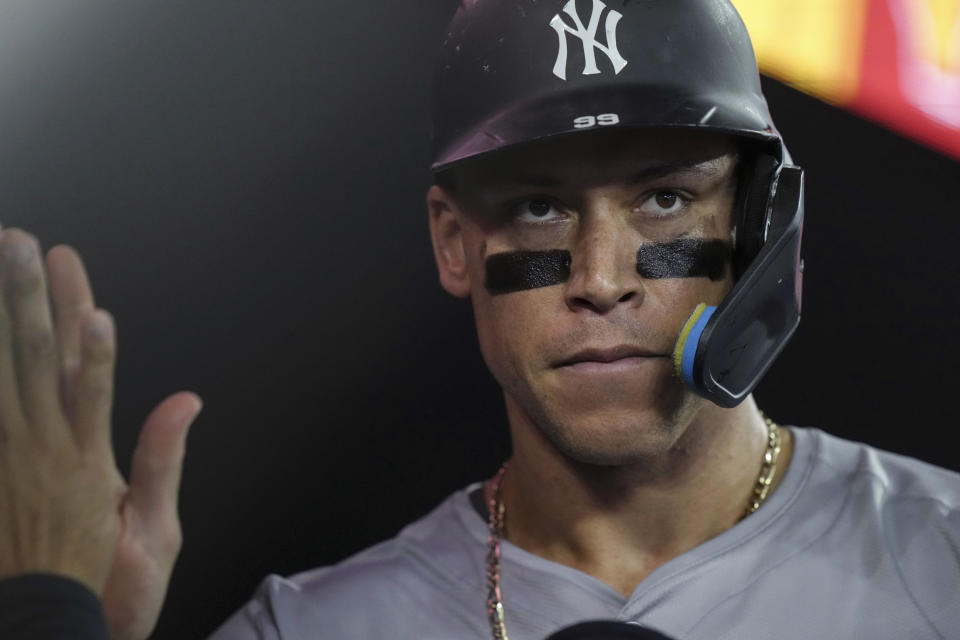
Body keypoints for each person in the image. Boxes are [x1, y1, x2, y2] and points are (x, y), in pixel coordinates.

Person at [0, 1, 958, 639]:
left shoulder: (943, 557)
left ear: (759, 226)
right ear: (453, 245)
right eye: (540, 207)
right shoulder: (312, 632)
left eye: (665, 199)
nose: (599, 278)